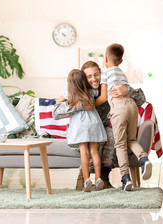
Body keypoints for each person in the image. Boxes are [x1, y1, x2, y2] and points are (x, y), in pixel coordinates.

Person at [53, 61, 146, 190]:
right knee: (96, 140)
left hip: (103, 128)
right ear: (83, 78)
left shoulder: (111, 87)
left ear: (101, 74)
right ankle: (85, 177)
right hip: (83, 129)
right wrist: (81, 105)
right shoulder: (80, 91)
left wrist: (127, 90)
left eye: (96, 74)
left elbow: (141, 99)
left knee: (111, 135)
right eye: (89, 76)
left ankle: (102, 176)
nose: (94, 79)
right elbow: (56, 112)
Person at [95, 43, 152, 191]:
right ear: (121, 61)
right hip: (132, 106)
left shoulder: (105, 73)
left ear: (105, 58)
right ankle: (143, 159)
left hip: (118, 107)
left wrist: (91, 104)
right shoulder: (121, 72)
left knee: (120, 144)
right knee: (131, 139)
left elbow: (102, 97)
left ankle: (125, 178)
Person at [56, 69, 107, 192]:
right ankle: (99, 179)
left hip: (79, 126)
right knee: (94, 152)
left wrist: (70, 100)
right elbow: (101, 95)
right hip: (93, 123)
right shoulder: (91, 91)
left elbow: (58, 101)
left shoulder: (70, 93)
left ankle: (86, 180)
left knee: (84, 153)